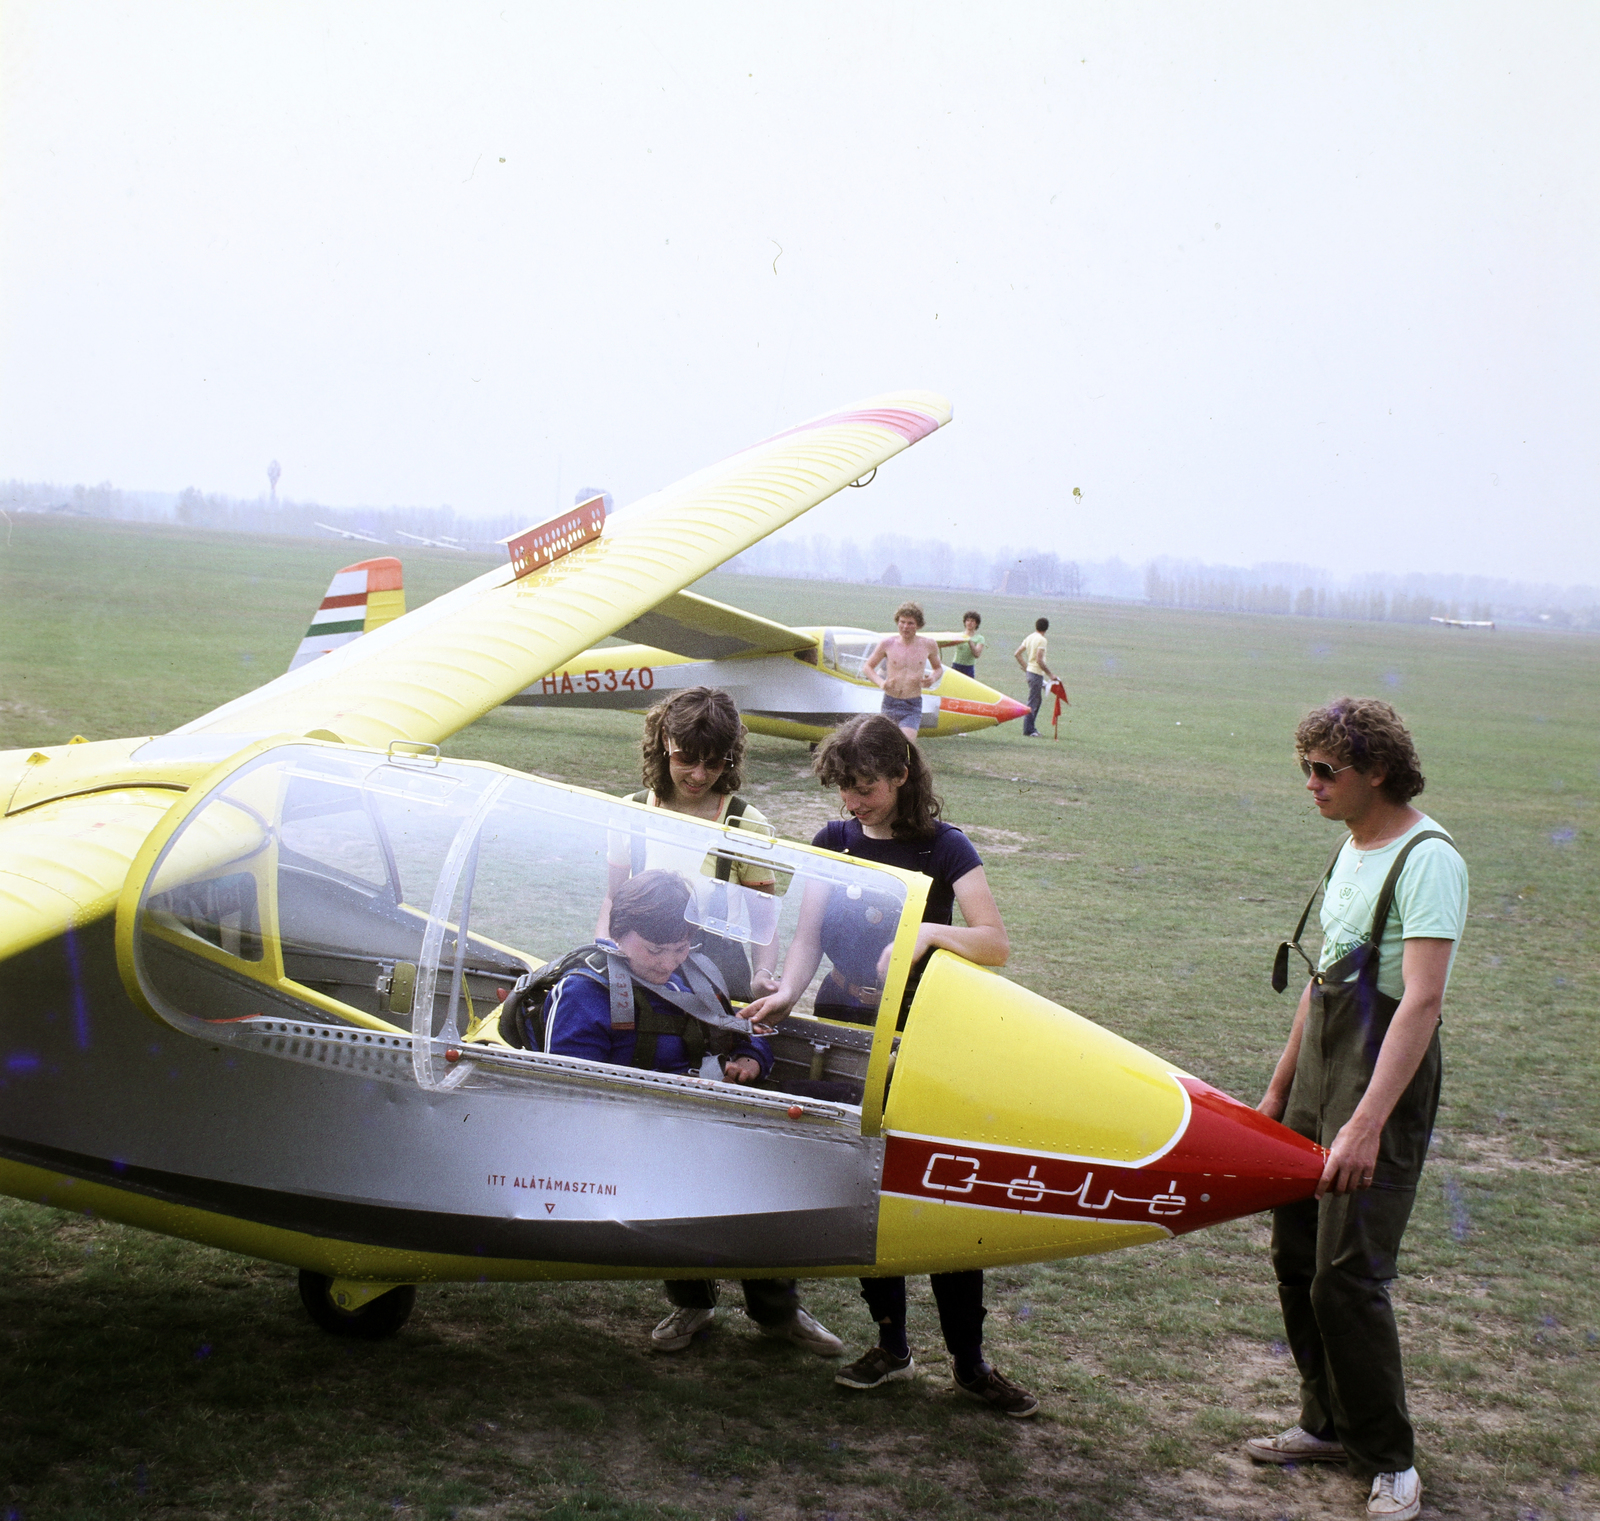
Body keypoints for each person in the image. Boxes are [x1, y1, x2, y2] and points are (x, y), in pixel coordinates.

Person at [740, 715, 1038, 1417]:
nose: (854, 801)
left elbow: (994, 941)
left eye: (866, 786)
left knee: (940, 1198)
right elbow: (808, 934)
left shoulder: (945, 847)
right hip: (847, 1029)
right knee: (869, 1187)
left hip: (926, 1040)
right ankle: (891, 1345)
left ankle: (970, 1363)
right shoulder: (832, 842)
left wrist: (929, 932)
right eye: (845, 787)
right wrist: (786, 990)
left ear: (902, 774)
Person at [1247, 698, 1468, 1521]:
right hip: (1319, 1071)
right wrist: (1277, 1093)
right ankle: (1327, 1423)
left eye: (1324, 770)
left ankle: (1391, 1460)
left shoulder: (1427, 857)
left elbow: (1420, 1002)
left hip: (1380, 1077)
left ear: (1376, 769)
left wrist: (1368, 1121)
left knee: (1348, 1273)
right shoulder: (1351, 846)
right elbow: (1322, 978)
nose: (1310, 784)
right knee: (1298, 1253)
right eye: (1304, 767)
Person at [548, 869, 843, 1359]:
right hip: (632, 1138)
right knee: (676, 1215)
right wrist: (662, 1091)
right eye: (654, 950)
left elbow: (738, 1029)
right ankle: (694, 1303)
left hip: (711, 1119)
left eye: (680, 948)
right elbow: (570, 1086)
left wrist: (752, 1059)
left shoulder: (697, 971)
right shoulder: (584, 992)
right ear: (617, 933)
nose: (668, 963)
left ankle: (778, 1313)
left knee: (764, 1201)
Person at [598, 686, 779, 1002]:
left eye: (714, 763)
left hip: (716, 979)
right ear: (666, 741)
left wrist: (763, 975)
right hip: (641, 975)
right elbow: (613, 900)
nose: (698, 775)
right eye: (687, 758)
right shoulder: (631, 811)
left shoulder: (746, 823)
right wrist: (604, 947)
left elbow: (764, 927)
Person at [864, 601, 942, 742]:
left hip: (912, 705)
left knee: (905, 746)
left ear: (918, 625)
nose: (905, 627)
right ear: (897, 622)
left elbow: (938, 668)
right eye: (902, 622)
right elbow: (867, 667)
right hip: (890, 703)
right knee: (887, 747)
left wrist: (932, 678)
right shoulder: (887, 643)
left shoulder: (928, 644)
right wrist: (881, 683)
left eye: (910, 623)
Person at [1012, 617, 1056, 739]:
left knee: (1036, 700)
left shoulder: (1030, 637)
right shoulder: (1042, 640)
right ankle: (1029, 729)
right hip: (1036, 674)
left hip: (1031, 673)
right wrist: (1050, 674)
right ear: (1046, 628)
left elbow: (1017, 654)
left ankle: (1030, 728)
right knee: (1034, 701)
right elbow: (1039, 660)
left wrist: (1026, 667)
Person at [948, 611, 985, 679]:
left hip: (968, 668)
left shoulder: (980, 638)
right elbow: (948, 643)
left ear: (976, 623)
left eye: (972, 621)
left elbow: (977, 654)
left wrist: (969, 641)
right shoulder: (959, 635)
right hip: (956, 665)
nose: (969, 623)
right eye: (968, 620)